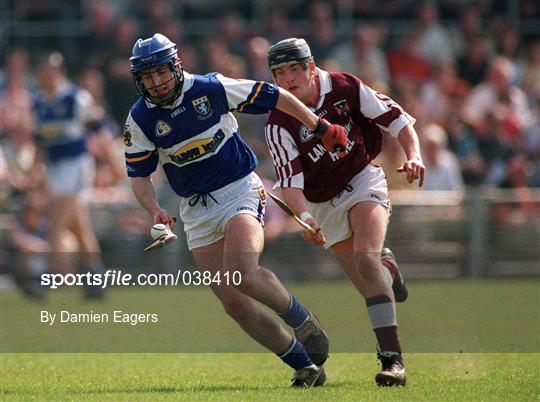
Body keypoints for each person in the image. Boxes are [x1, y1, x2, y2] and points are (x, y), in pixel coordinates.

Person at [124, 33, 348, 388]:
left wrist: (318, 126)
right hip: (195, 211)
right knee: (235, 304)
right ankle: (304, 365)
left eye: (161, 72)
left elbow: (276, 96)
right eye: (148, 76)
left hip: (239, 188)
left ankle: (303, 319)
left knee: (241, 271)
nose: (156, 82)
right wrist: (153, 209)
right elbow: (139, 175)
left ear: (176, 66)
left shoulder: (211, 89)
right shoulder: (139, 119)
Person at [265, 38, 426, 387]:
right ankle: (388, 267)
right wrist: (305, 219)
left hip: (362, 178)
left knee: (365, 259)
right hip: (323, 204)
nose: (288, 79)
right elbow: (289, 181)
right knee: (369, 284)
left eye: (294, 69)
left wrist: (413, 154)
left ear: (310, 66)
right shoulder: (278, 120)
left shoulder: (344, 86)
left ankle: (393, 363)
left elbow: (396, 119)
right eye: (279, 72)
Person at [32, 51, 119, 298]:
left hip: (77, 166)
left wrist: (114, 165)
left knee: (56, 221)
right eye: (43, 70)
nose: (47, 75)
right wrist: (35, 171)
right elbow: (39, 141)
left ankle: (44, 276)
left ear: (60, 73)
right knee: (79, 227)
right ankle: (95, 276)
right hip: (55, 169)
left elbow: (101, 129)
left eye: (52, 70)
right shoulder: (38, 102)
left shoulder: (75, 98)